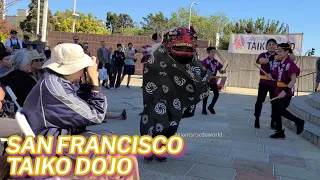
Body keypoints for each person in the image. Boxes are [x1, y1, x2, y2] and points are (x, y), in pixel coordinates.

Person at [21, 43, 140, 179]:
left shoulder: (53, 80)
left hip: (53, 138)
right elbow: (97, 115)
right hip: (52, 147)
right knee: (126, 160)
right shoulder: (56, 89)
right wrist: (95, 80)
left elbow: (81, 104)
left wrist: (86, 81)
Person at [140, 26, 212, 162]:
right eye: (180, 47)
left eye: (187, 48)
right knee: (159, 122)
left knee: (172, 126)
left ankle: (160, 149)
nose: (184, 51)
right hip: (158, 94)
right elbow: (151, 72)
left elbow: (198, 74)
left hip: (177, 97)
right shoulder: (159, 54)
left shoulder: (191, 59)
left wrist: (205, 77)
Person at [270, 43, 305, 139]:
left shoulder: (290, 64)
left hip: (286, 91)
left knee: (281, 110)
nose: (278, 52)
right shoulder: (280, 63)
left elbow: (293, 80)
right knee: (276, 111)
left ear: (286, 52)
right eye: (278, 50)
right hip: (278, 89)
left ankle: (298, 121)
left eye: (281, 51)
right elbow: (277, 76)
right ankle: (280, 132)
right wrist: (272, 76)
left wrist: (285, 91)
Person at [254, 39, 278, 129]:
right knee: (260, 101)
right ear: (267, 46)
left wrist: (289, 50)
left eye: (273, 44)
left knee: (275, 103)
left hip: (274, 83)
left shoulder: (279, 55)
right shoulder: (263, 55)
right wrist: (273, 58)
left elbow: (292, 59)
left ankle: (273, 121)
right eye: (269, 44)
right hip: (264, 82)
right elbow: (261, 61)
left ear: (276, 45)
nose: (271, 46)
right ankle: (257, 118)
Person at [201, 47, 226, 115]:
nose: (214, 53)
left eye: (214, 52)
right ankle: (203, 109)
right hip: (207, 79)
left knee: (217, 94)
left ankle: (211, 106)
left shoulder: (216, 61)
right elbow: (203, 69)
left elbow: (220, 71)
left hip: (213, 79)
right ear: (208, 53)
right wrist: (206, 70)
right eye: (212, 52)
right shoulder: (205, 61)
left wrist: (223, 71)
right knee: (206, 94)